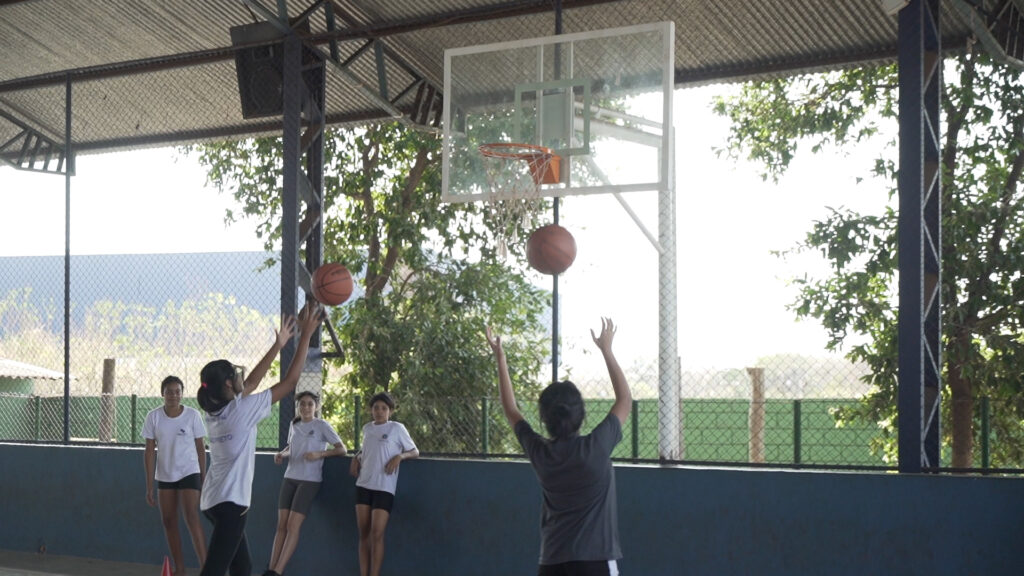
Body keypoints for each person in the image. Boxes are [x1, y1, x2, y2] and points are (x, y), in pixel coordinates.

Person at [486, 318, 631, 576]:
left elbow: (510, 409)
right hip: (594, 562)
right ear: (581, 414)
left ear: (544, 419)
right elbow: (625, 399)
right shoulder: (596, 447)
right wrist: (606, 350)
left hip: (551, 563)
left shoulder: (541, 453)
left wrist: (500, 358)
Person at [196, 302, 322, 576]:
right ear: (229, 385)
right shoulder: (240, 411)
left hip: (212, 502)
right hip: (231, 504)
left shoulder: (215, 409)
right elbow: (290, 383)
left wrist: (279, 345)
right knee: (214, 571)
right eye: (235, 375)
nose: (242, 376)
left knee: (243, 568)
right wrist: (306, 337)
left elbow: (250, 383)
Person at [264, 391, 346, 576]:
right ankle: (270, 568)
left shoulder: (322, 425)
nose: (306, 407)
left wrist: (320, 454)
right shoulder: (295, 424)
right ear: (298, 406)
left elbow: (341, 449)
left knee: (293, 525)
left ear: (316, 406)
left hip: (309, 480)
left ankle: (278, 570)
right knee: (281, 524)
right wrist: (281, 454)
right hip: (290, 476)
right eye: (302, 404)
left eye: (310, 404)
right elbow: (290, 447)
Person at [348, 391, 419, 576]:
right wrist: (356, 457)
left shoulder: (397, 428)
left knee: (377, 533)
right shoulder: (367, 429)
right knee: (363, 533)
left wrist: (400, 456)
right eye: (376, 408)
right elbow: (366, 450)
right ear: (371, 410)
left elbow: (414, 451)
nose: (379, 411)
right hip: (363, 485)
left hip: (384, 488)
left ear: (391, 411)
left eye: (384, 408)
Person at [143, 375, 208, 576]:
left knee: (190, 516)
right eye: (169, 391)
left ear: (182, 393)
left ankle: (207, 568)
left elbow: (200, 448)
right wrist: (149, 486)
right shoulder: (153, 417)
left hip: (189, 472)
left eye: (177, 391)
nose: (173, 395)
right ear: (162, 394)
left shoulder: (193, 415)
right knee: (169, 520)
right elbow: (149, 451)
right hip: (165, 474)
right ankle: (179, 568)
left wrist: (203, 477)